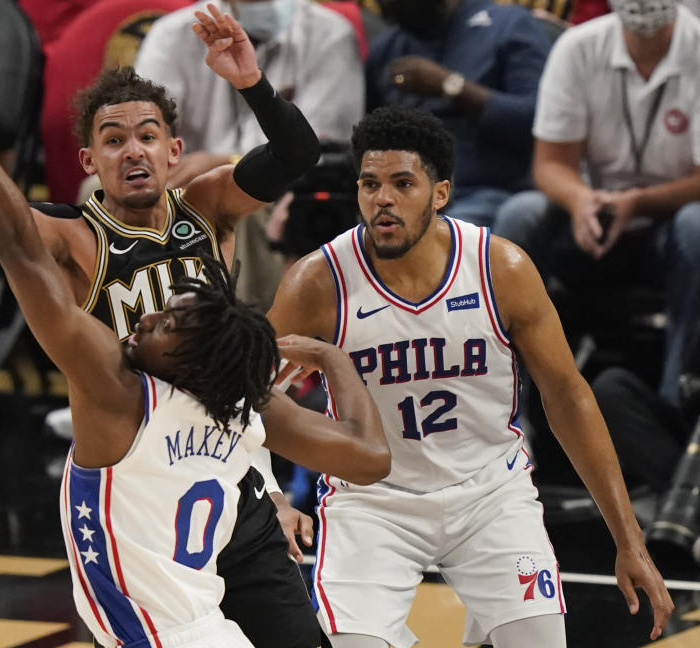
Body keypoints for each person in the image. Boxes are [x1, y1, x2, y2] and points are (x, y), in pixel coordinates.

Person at [0, 20, 392, 648]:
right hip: (140, 451)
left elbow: (296, 155)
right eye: (113, 141)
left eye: (147, 136)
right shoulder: (74, 236)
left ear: (174, 149)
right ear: (90, 162)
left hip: (228, 441)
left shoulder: (205, 204)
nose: (133, 151)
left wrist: (250, 83)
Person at [266, 105, 674, 648]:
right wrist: (270, 492)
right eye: (369, 183)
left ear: (440, 193)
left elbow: (567, 395)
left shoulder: (498, 268)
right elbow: (245, 397)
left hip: (489, 492)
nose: (381, 198)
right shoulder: (317, 282)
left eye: (401, 183)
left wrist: (629, 539)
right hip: (373, 503)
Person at [493, 0, 700, 408]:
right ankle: (507, 405)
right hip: (589, 218)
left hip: (668, 225)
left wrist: (638, 202)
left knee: (698, 225)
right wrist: (580, 199)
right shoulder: (578, 46)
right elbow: (551, 164)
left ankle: (672, 407)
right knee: (518, 216)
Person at [134, 0, 365, 308]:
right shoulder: (170, 33)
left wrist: (225, 163)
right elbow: (142, 127)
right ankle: (135, 331)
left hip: (285, 185)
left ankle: (255, 336)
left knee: (246, 198)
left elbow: (320, 146)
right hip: (181, 178)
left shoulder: (328, 32)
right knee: (106, 189)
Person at [364, 0, 551, 227]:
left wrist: (450, 86)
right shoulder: (386, 48)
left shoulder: (510, 25)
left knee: (437, 236)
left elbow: (537, 120)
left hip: (489, 190)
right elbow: (368, 140)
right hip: (401, 196)